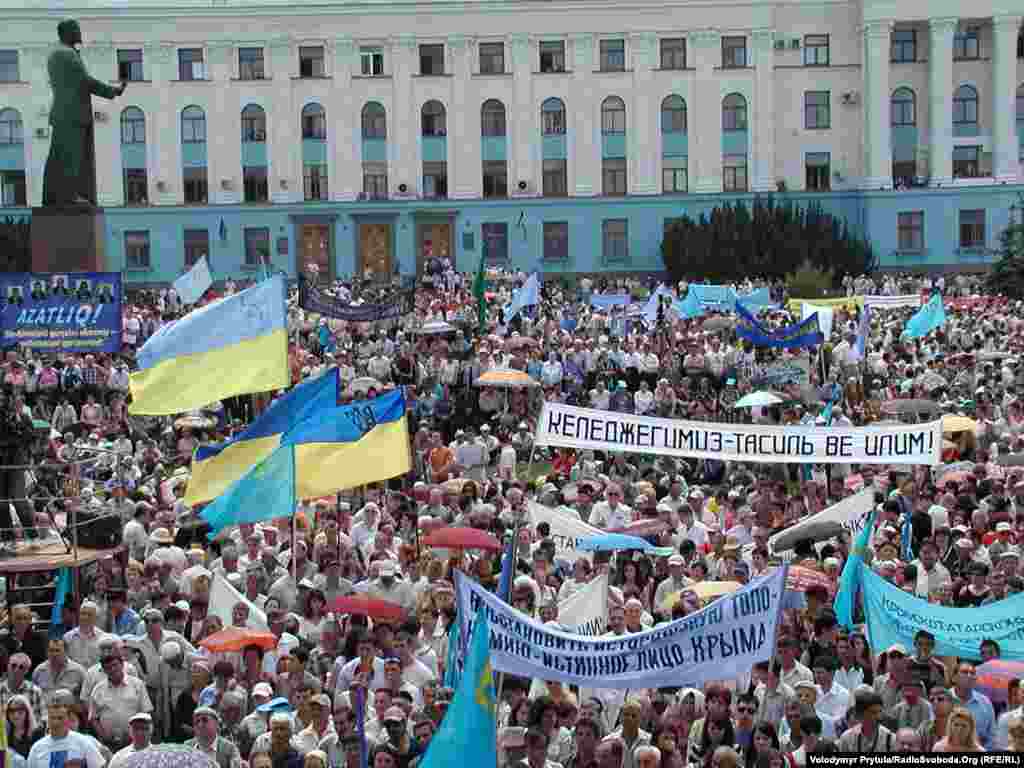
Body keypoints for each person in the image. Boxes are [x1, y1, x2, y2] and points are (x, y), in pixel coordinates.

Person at [42, 20, 126, 206]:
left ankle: (57, 195)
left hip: (68, 114)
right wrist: (112, 91)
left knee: (61, 156)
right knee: (69, 157)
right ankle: (67, 196)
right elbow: (84, 81)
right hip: (71, 114)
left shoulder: (62, 53)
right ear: (67, 32)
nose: (79, 33)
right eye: (76, 29)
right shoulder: (65, 54)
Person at [27, 694, 105, 768]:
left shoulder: (83, 742)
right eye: (52, 718)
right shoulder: (37, 748)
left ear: (68, 719)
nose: (56, 722)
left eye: (60, 718)